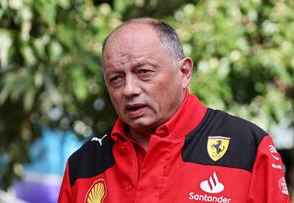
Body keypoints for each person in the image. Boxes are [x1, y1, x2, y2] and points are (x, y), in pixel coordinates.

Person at [58, 17, 290, 203]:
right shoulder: (84, 165)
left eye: (144, 72)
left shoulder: (247, 148)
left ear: (184, 72)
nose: (129, 89)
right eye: (116, 78)